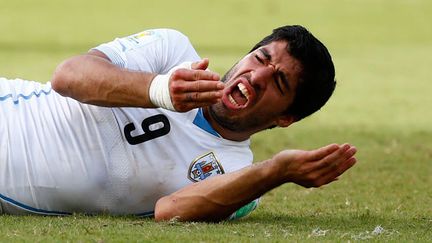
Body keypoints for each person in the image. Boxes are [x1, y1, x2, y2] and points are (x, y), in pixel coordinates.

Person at [0, 25, 357, 222]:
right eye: (260, 57)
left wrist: (275, 171)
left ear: (285, 117)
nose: (258, 75)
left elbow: (169, 211)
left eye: (278, 82)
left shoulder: (240, 176)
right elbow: (68, 76)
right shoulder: (172, 51)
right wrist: (158, 89)